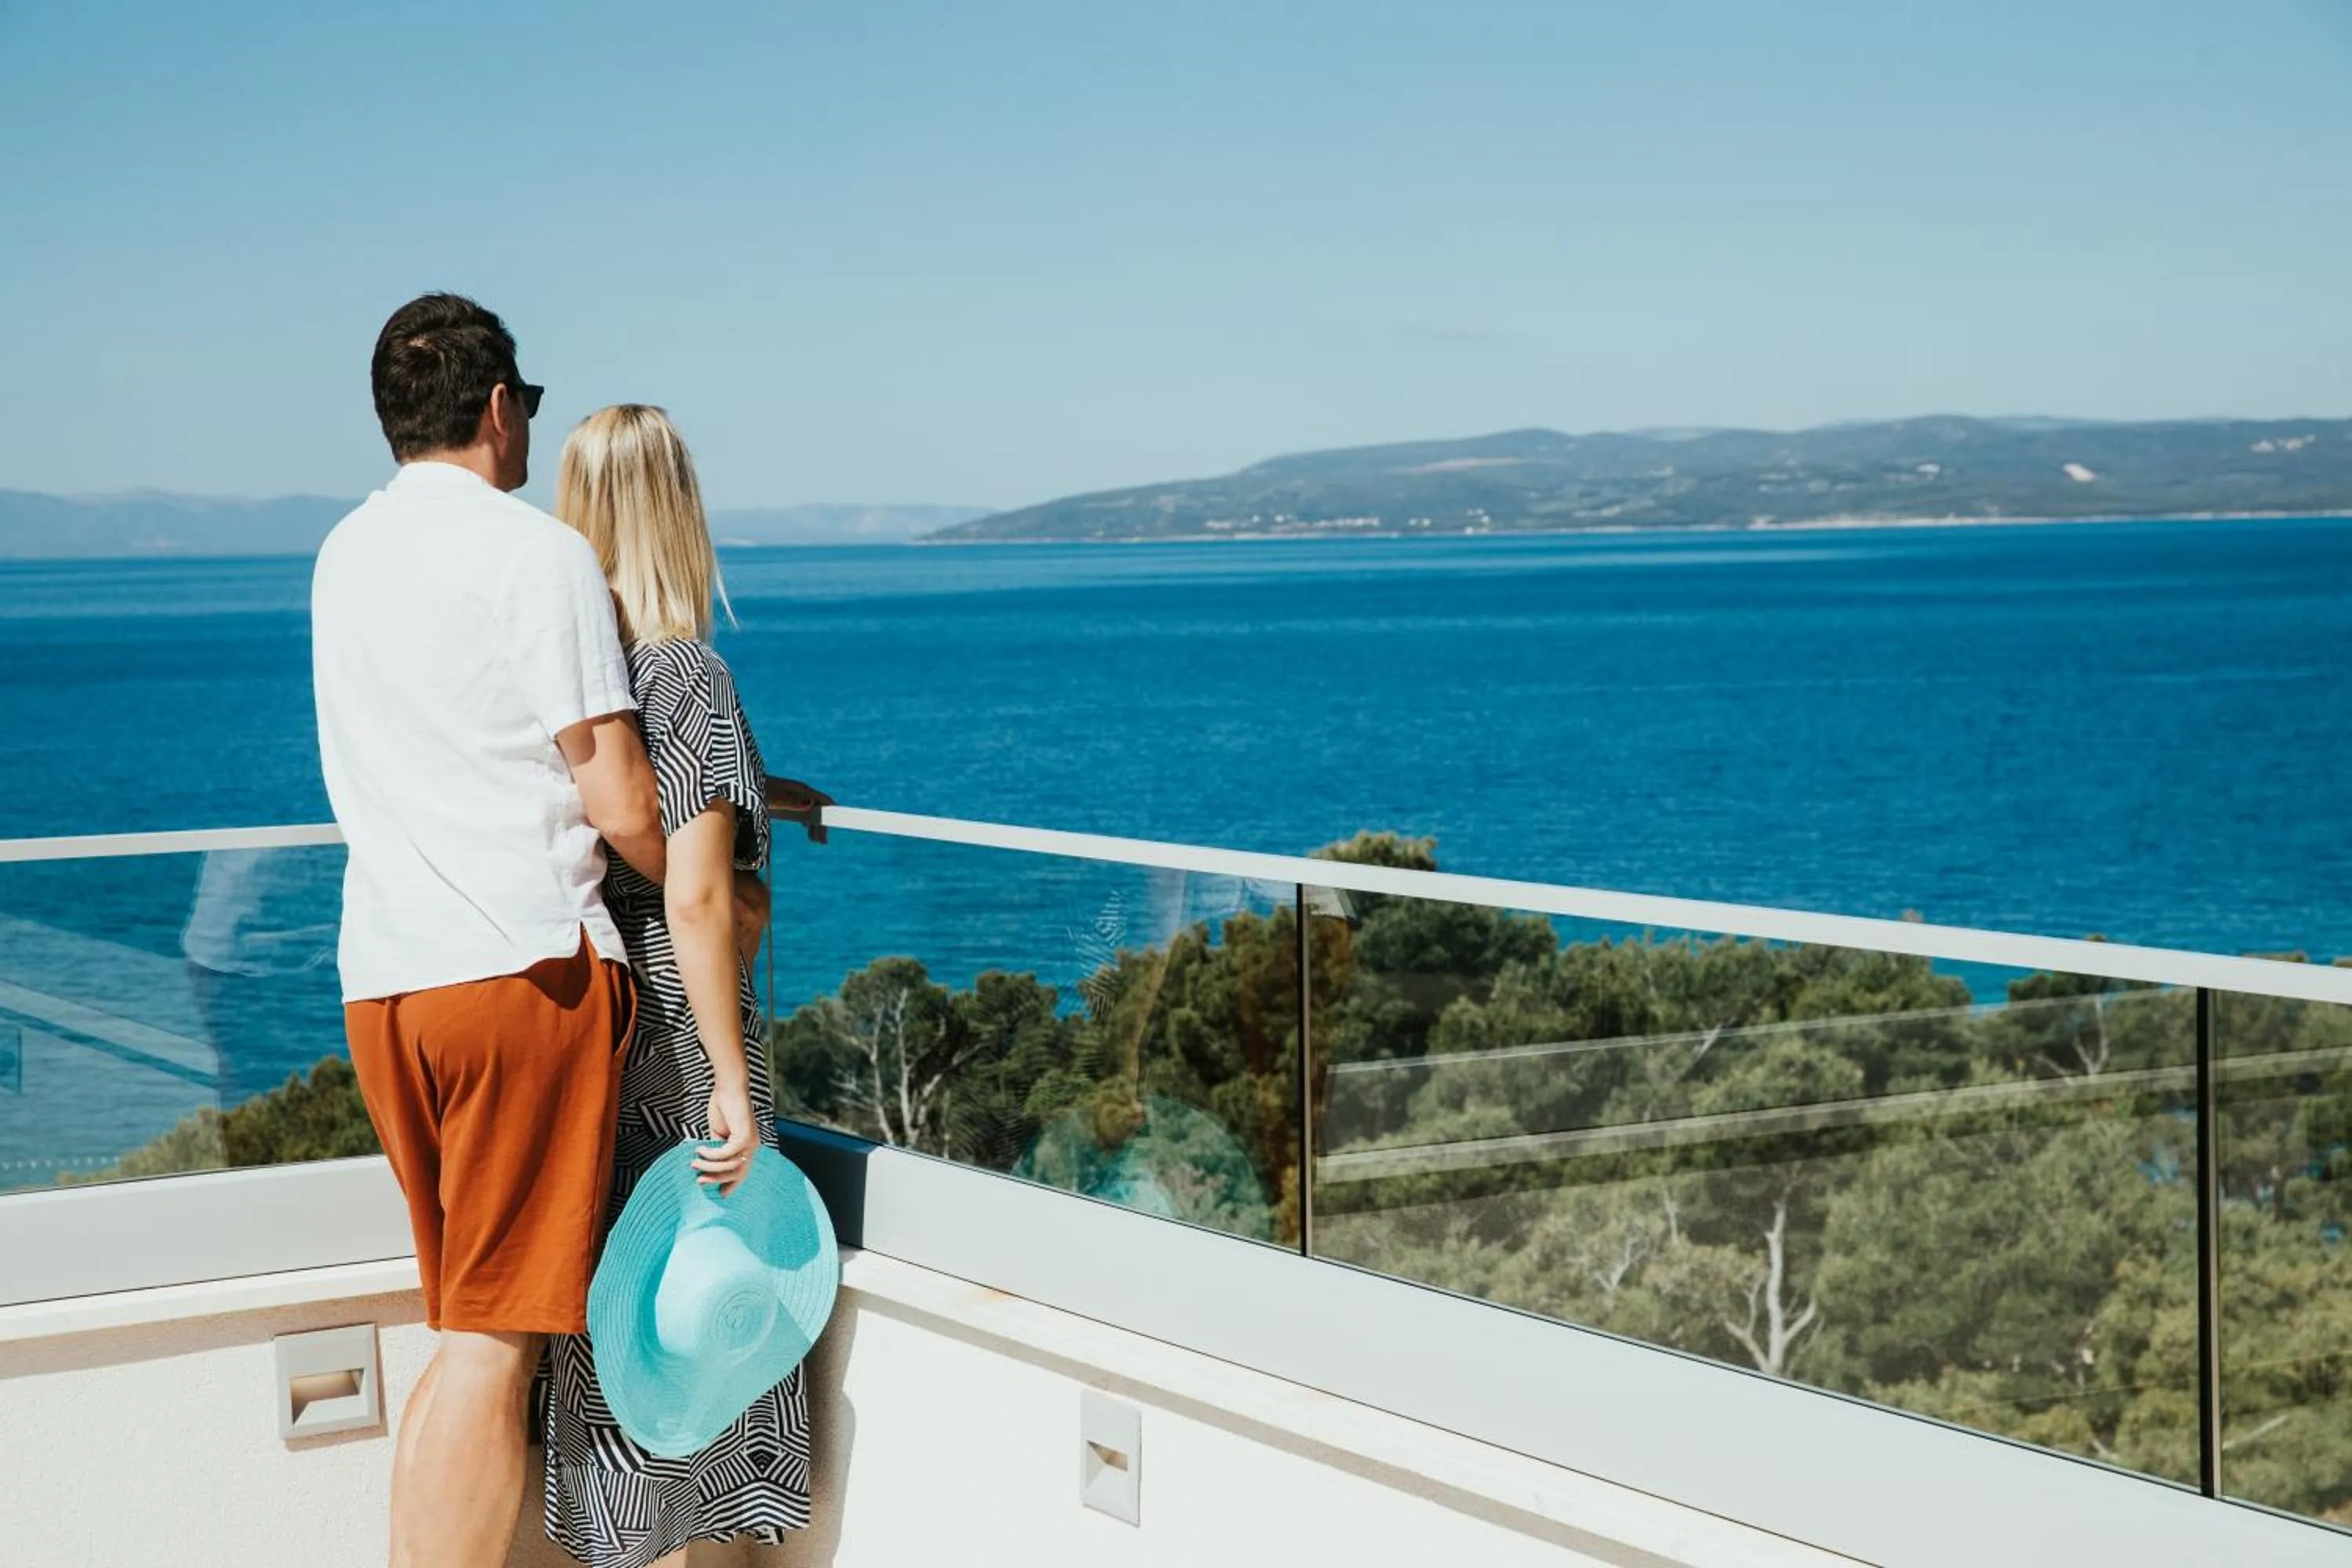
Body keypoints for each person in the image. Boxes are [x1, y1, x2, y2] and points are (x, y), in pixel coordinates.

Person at [313, 294, 674, 1568]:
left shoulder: (344, 554)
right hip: (521, 977)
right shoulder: (538, 556)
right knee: (497, 1340)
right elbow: (623, 798)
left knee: (464, 1328)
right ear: (498, 405)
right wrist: (721, 869)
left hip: (386, 987)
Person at [539, 404, 810, 1567]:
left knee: (627, 1319)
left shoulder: (570, 685)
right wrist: (735, 1083)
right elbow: (696, 897)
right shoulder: (687, 673)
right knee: (707, 1320)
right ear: (679, 512)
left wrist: (770, 793)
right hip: (682, 1041)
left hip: (590, 1031)